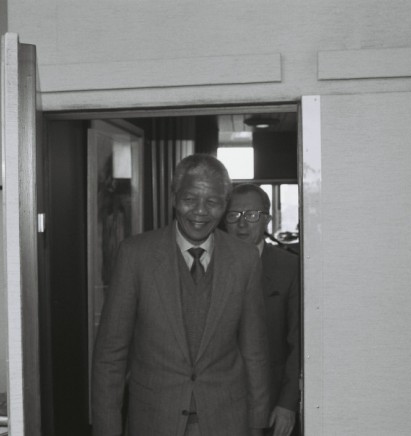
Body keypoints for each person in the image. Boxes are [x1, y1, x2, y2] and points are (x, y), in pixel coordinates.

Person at [92, 154, 271, 436]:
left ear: (224, 206)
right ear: (174, 197)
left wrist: (258, 423)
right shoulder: (135, 255)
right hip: (154, 419)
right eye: (190, 199)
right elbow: (111, 355)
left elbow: (254, 351)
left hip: (227, 420)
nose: (199, 212)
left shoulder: (245, 259)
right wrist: (106, 429)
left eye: (212, 202)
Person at [225, 184, 301, 436]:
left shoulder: (289, 267)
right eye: (234, 215)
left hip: (272, 401)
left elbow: (298, 342)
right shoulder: (206, 265)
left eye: (252, 215)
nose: (242, 224)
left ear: (267, 219)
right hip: (217, 401)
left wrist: (288, 403)